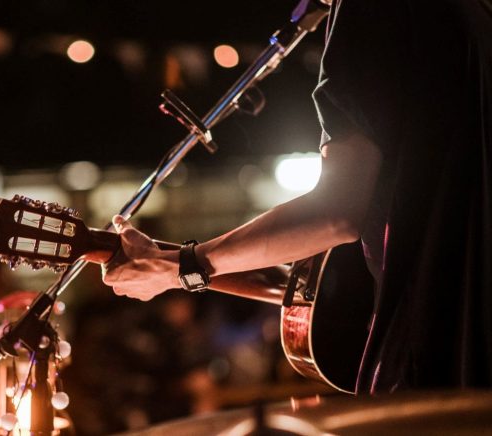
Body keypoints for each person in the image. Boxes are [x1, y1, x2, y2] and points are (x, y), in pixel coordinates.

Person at [102, 0, 492, 394]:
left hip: (436, 368)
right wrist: (177, 265)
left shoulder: (369, 12)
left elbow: (335, 216)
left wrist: (184, 265)